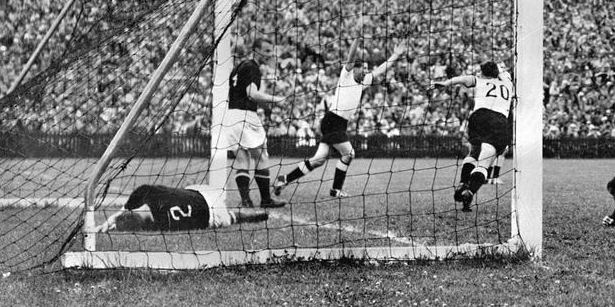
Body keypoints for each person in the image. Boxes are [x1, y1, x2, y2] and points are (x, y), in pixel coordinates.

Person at [274, 38, 406, 199]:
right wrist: (357, 40)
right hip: (333, 121)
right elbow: (350, 58)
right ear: (354, 69)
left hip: (338, 124)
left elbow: (380, 69)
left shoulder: (362, 82)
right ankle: (335, 190)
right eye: (362, 68)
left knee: (318, 160)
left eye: (365, 69)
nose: (365, 71)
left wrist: (395, 55)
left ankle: (283, 179)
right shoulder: (346, 76)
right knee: (349, 153)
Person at [432, 60, 513, 212]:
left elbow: (464, 79)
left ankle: (463, 182)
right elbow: (504, 74)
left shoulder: (480, 80)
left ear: (483, 73)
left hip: (479, 117)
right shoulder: (508, 83)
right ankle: (470, 191)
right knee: (484, 162)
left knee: (474, 153)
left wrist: (445, 83)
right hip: (500, 120)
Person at [223, 37, 287, 208]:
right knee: (261, 157)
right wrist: (276, 100)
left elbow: (243, 94)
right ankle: (266, 200)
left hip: (232, 116)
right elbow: (251, 93)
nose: (270, 54)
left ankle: (246, 201)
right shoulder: (252, 67)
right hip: (246, 116)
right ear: (256, 50)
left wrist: (265, 106)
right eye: (266, 51)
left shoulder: (239, 67)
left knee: (242, 158)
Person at [95, 184, 268, 233]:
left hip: (213, 218)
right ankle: (246, 214)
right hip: (205, 193)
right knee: (184, 190)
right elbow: (129, 205)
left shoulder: (161, 225)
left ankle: (240, 216)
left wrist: (114, 223)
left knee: (231, 217)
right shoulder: (149, 192)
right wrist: (112, 219)